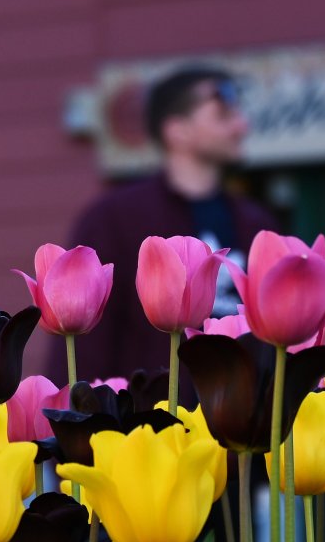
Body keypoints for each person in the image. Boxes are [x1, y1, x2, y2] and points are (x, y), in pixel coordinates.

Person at [57, 66, 277, 386]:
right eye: (223, 114)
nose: (241, 126)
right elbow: (86, 343)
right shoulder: (115, 218)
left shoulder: (257, 223)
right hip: (150, 425)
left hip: (246, 422)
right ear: (178, 130)